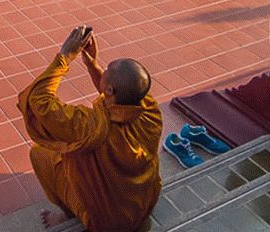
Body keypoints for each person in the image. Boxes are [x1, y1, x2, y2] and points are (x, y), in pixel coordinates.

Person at [18, 26, 162, 232]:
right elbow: (116, 97)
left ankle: (68, 213)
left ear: (109, 89)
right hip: (141, 206)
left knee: (40, 154)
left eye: (107, 71)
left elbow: (39, 100)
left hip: (107, 223)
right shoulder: (150, 110)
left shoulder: (90, 128)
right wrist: (92, 64)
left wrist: (65, 56)